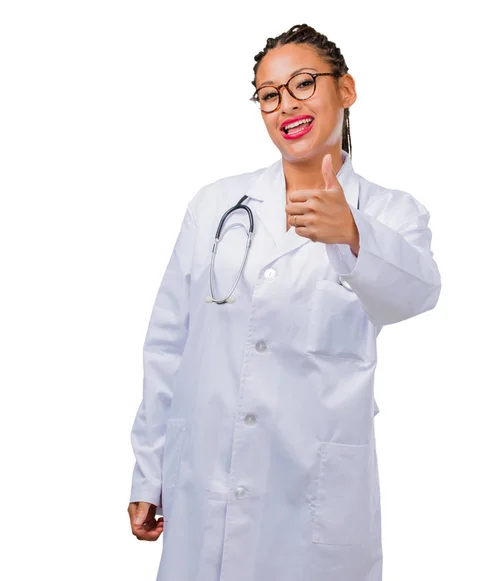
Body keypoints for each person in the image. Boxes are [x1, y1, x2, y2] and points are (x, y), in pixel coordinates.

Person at [127, 22, 441, 581]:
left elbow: (416, 294)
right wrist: (149, 472)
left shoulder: (391, 213)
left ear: (345, 90)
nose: (285, 106)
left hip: (312, 493)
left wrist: (352, 234)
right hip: (204, 480)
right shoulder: (216, 204)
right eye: (269, 95)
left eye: (302, 85)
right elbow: (169, 343)